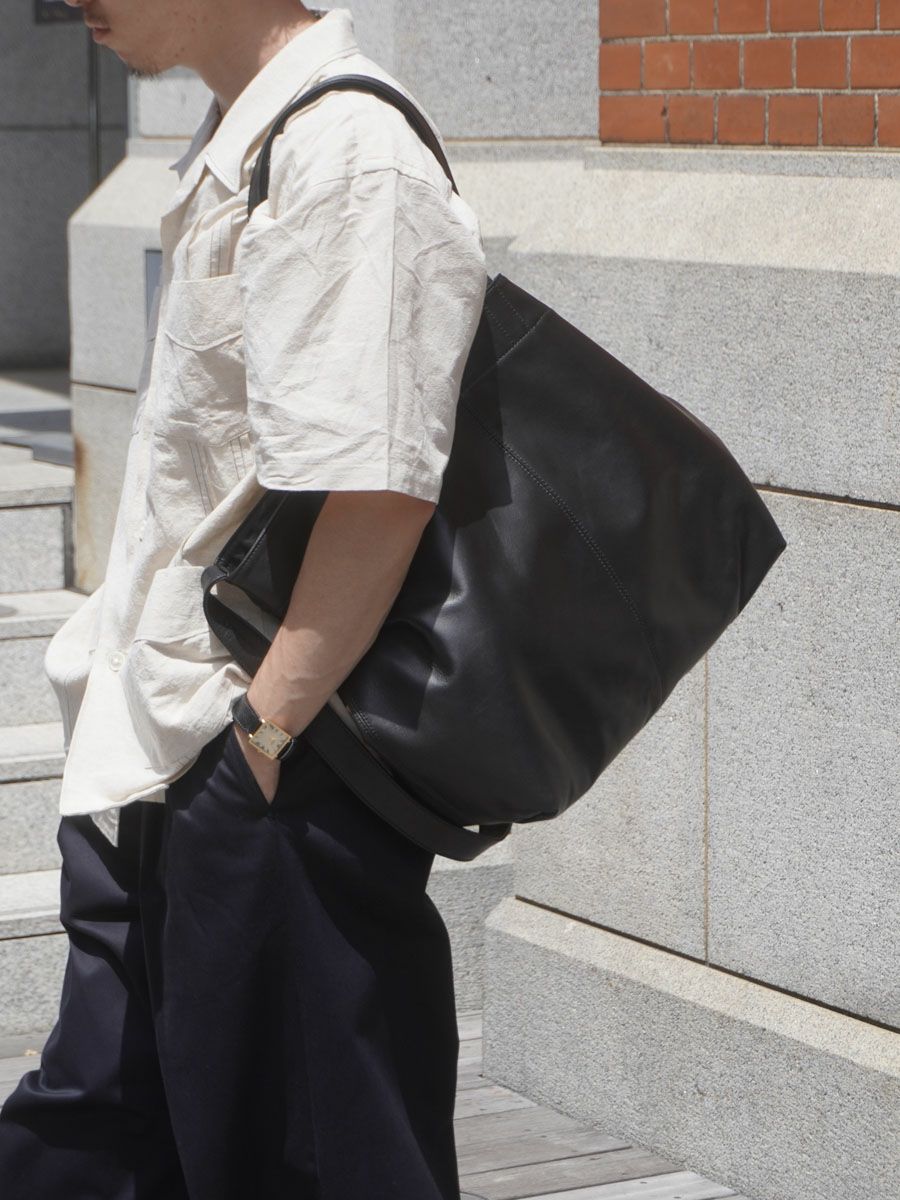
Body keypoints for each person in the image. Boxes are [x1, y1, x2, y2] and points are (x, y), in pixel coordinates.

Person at [0, 3, 488, 1198]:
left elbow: (379, 490)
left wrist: (256, 750)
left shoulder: (347, 152)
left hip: (266, 764)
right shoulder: (245, 139)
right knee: (98, 1131)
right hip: (165, 752)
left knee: (313, 1162)